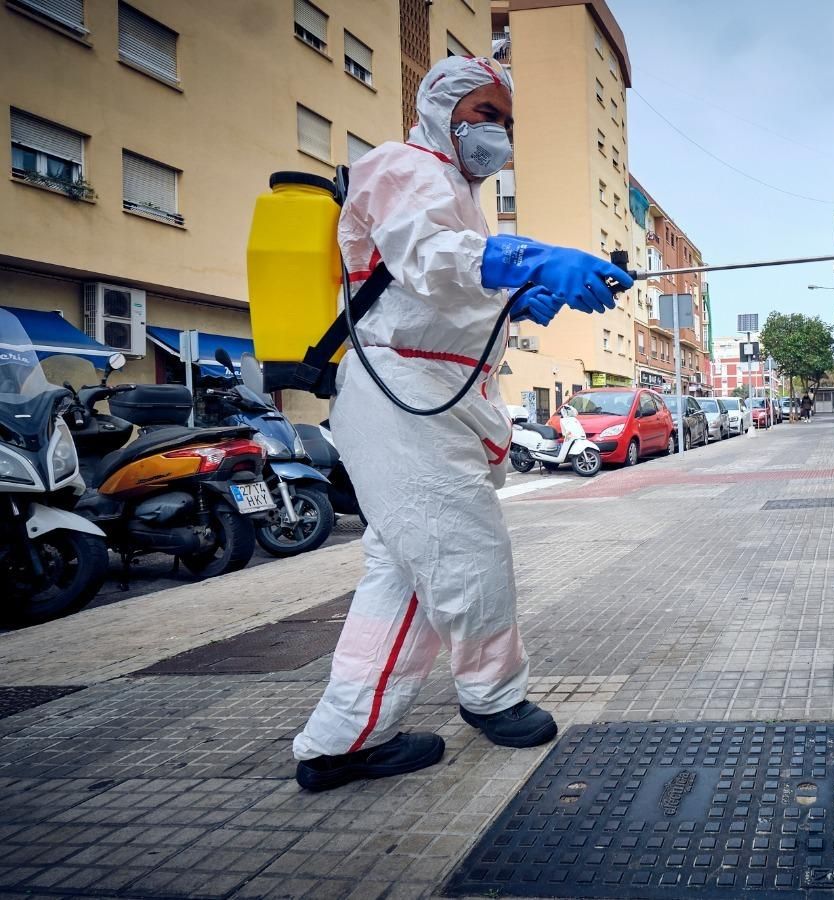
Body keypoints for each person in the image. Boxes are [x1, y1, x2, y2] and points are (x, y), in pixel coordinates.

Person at [291, 55, 633, 792]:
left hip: (431, 391)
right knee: (466, 555)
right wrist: (530, 259)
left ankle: (343, 739)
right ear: (442, 110)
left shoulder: (456, 190)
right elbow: (430, 259)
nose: (498, 133)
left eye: (506, 120)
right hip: (401, 392)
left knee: (407, 576)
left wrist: (518, 301)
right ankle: (492, 695)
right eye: (485, 114)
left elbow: (445, 293)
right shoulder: (401, 165)